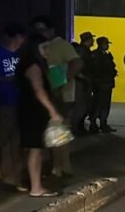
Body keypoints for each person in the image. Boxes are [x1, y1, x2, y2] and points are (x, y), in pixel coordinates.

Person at [16, 33, 65, 198]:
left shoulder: (29, 64)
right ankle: (36, 187)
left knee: (34, 149)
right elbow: (39, 90)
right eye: (44, 47)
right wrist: (52, 110)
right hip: (33, 112)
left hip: (29, 110)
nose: (47, 50)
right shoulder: (34, 66)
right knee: (35, 149)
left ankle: (32, 182)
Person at [31, 16, 80, 177]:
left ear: (52, 30)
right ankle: (58, 166)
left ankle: (61, 166)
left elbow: (76, 63)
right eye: (37, 29)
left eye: (43, 29)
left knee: (60, 131)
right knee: (52, 132)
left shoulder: (61, 45)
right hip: (46, 95)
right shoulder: (38, 46)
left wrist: (64, 83)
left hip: (60, 96)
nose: (41, 33)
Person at [0, 24, 26, 188]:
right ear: (14, 37)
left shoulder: (22, 54)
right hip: (2, 102)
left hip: (20, 102)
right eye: (21, 37)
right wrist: (5, 80)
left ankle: (17, 176)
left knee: (17, 141)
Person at [88, 37, 118, 133]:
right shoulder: (95, 55)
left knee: (105, 104)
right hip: (100, 84)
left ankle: (103, 123)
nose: (107, 45)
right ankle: (93, 124)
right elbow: (94, 70)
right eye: (106, 43)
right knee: (97, 104)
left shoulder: (107, 55)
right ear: (100, 44)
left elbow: (111, 68)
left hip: (107, 83)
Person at [71, 31, 95, 136]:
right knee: (80, 107)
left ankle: (80, 128)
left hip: (85, 81)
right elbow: (77, 67)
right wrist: (84, 79)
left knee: (85, 106)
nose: (93, 41)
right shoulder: (82, 51)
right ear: (88, 40)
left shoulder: (86, 51)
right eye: (91, 39)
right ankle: (75, 129)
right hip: (81, 82)